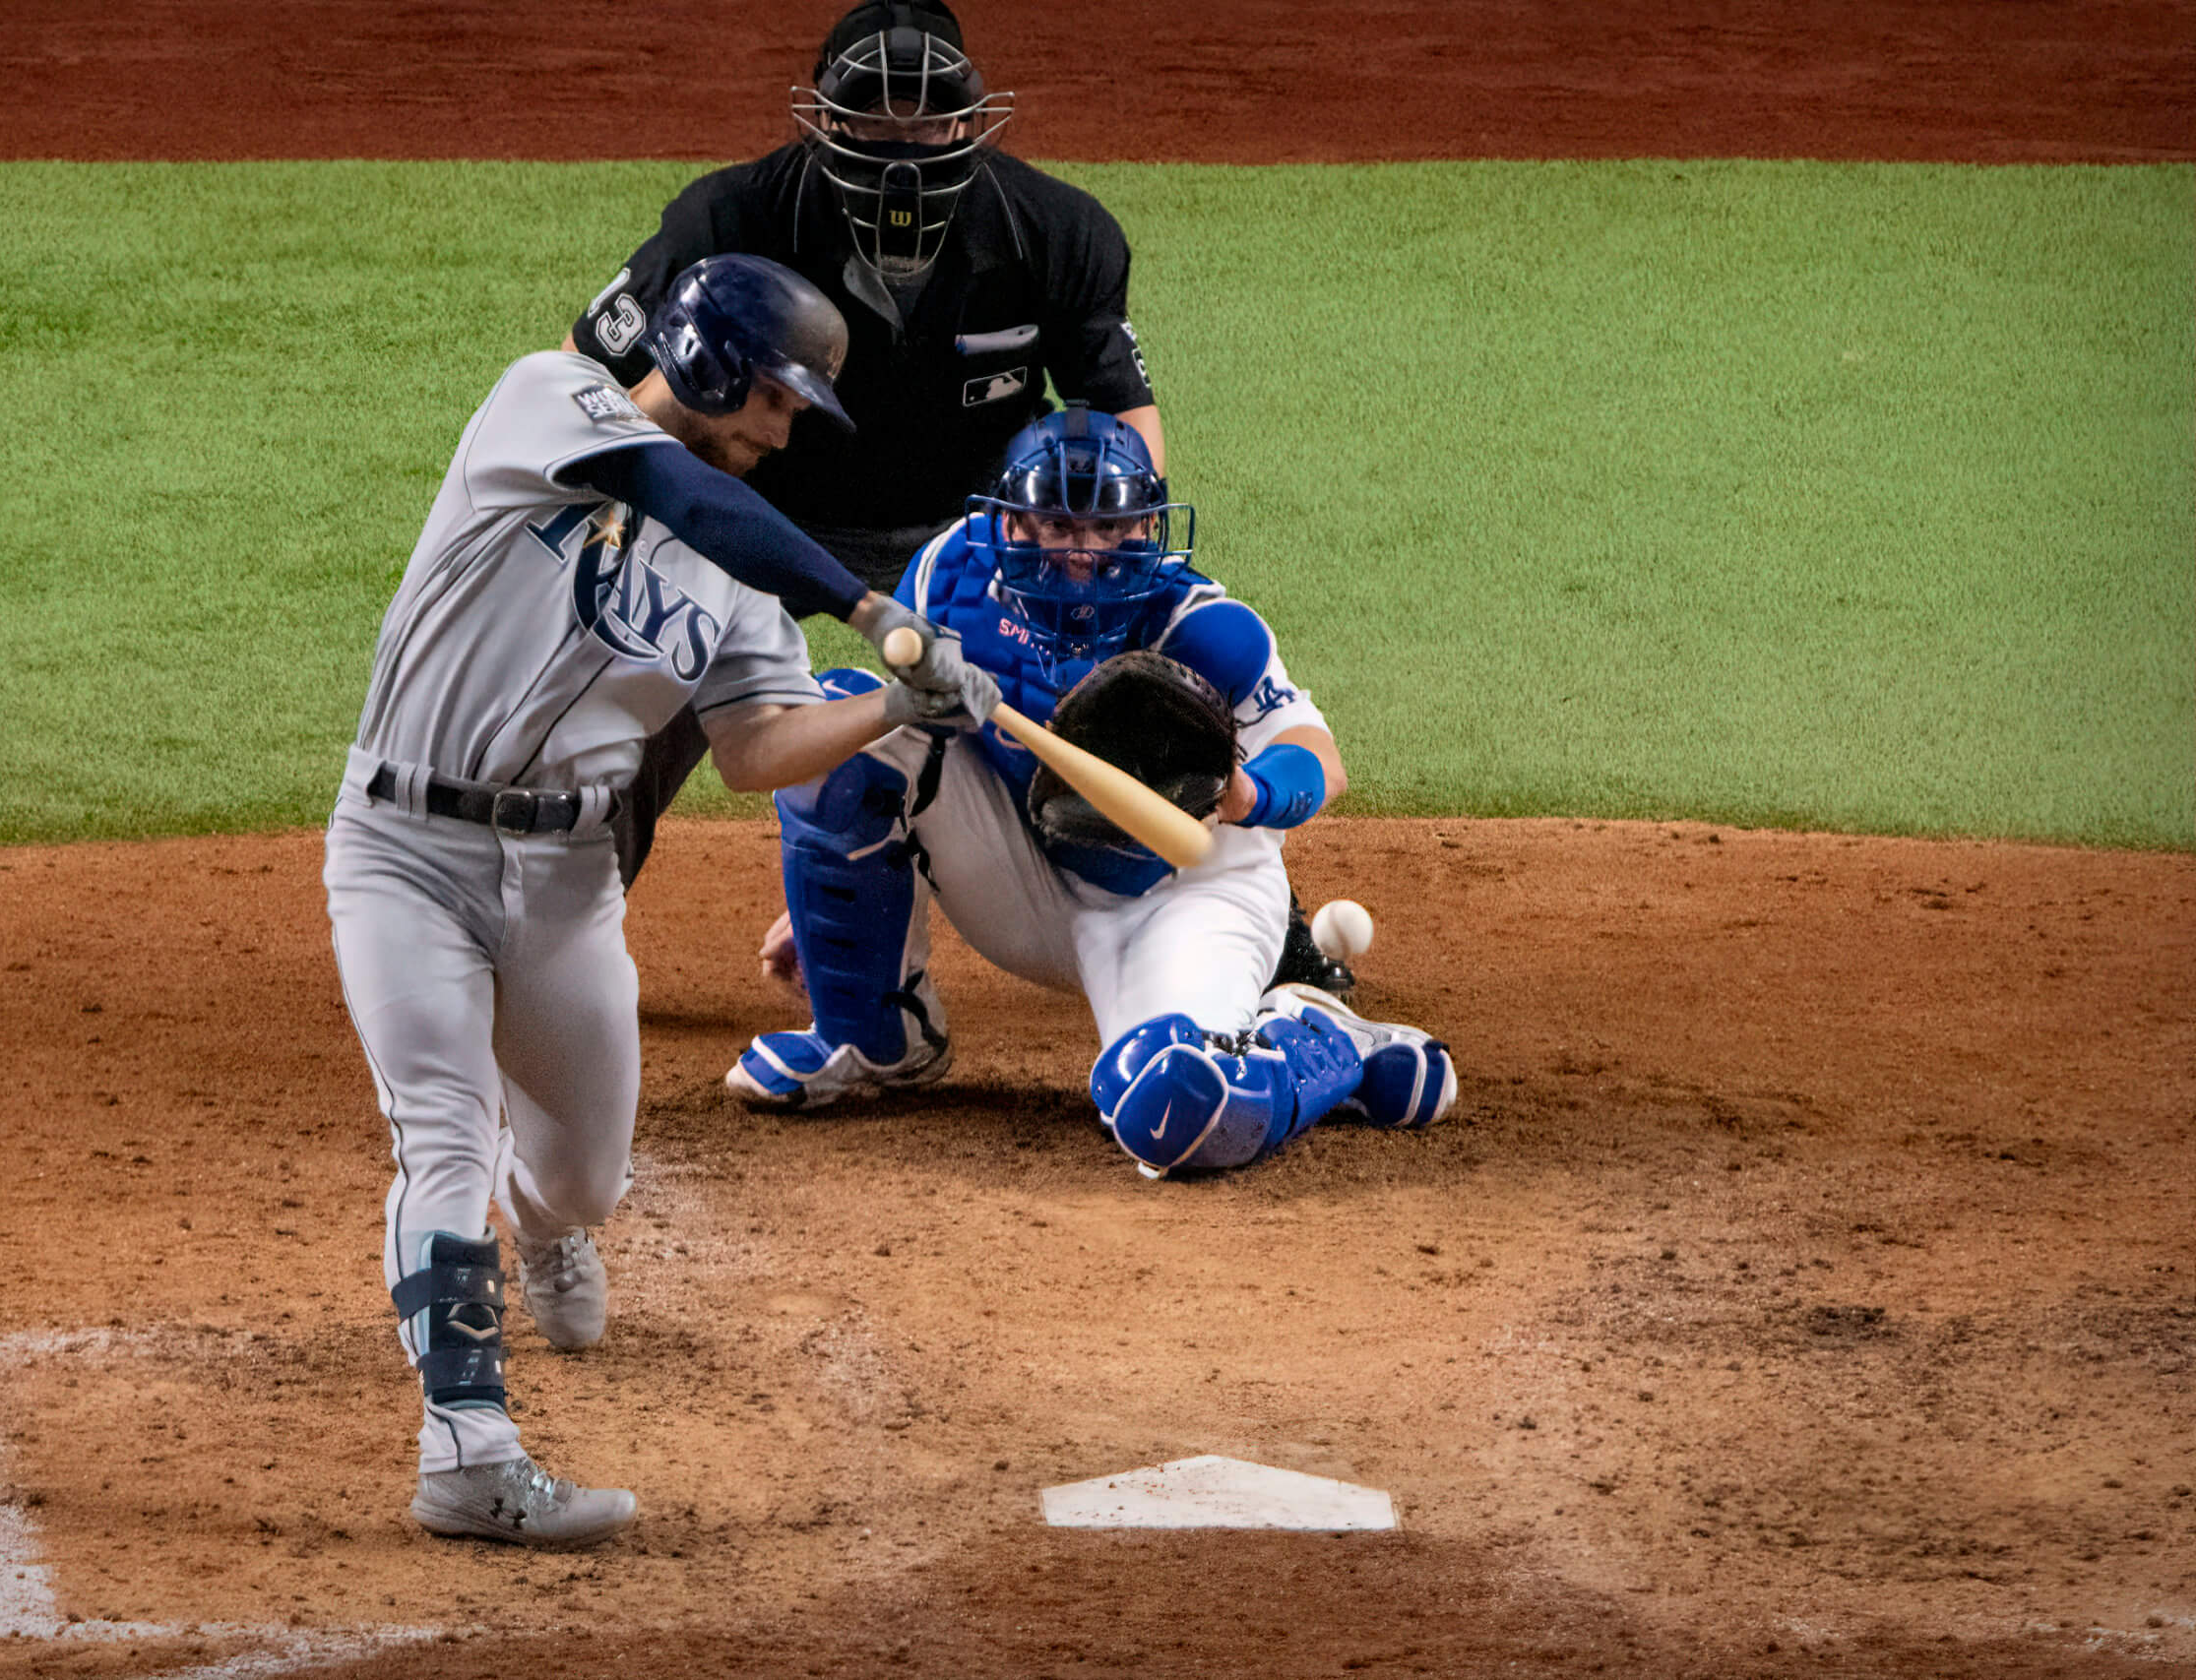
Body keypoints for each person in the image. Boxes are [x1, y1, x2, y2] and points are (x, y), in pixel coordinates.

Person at [324, 253, 993, 1546]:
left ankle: (548, 1220)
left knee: (585, 1171)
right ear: (706, 361)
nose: (782, 433)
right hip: (403, 845)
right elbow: (665, 479)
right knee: (443, 1133)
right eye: (778, 402)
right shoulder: (546, 402)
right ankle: (467, 1450)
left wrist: (890, 703)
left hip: (567, 883)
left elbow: (754, 752)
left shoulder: (738, 579)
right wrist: (865, 603)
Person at [567, 0, 1354, 995]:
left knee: (1135, 684)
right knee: (644, 672)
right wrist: (623, 531)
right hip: (760, 515)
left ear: (970, 123)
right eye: (872, 120)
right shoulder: (733, 220)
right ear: (823, 120)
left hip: (973, 536)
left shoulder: (1053, 233)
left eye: (929, 120)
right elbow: (584, 374)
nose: (903, 142)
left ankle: (1258, 923)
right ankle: (570, 928)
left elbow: (1124, 413)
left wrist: (1116, 569)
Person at [722, 406, 1459, 1177]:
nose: (1081, 554)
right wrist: (838, 880)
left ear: (1145, 527)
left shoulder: (1200, 626)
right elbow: (918, 744)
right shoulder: (950, 577)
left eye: (1108, 529)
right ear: (1010, 522)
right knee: (843, 722)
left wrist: (1251, 793)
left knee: (1180, 1114)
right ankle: (873, 1036)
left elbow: (1320, 758)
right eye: (1055, 525)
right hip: (1025, 865)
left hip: (1182, 891)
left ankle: (1319, 1041)